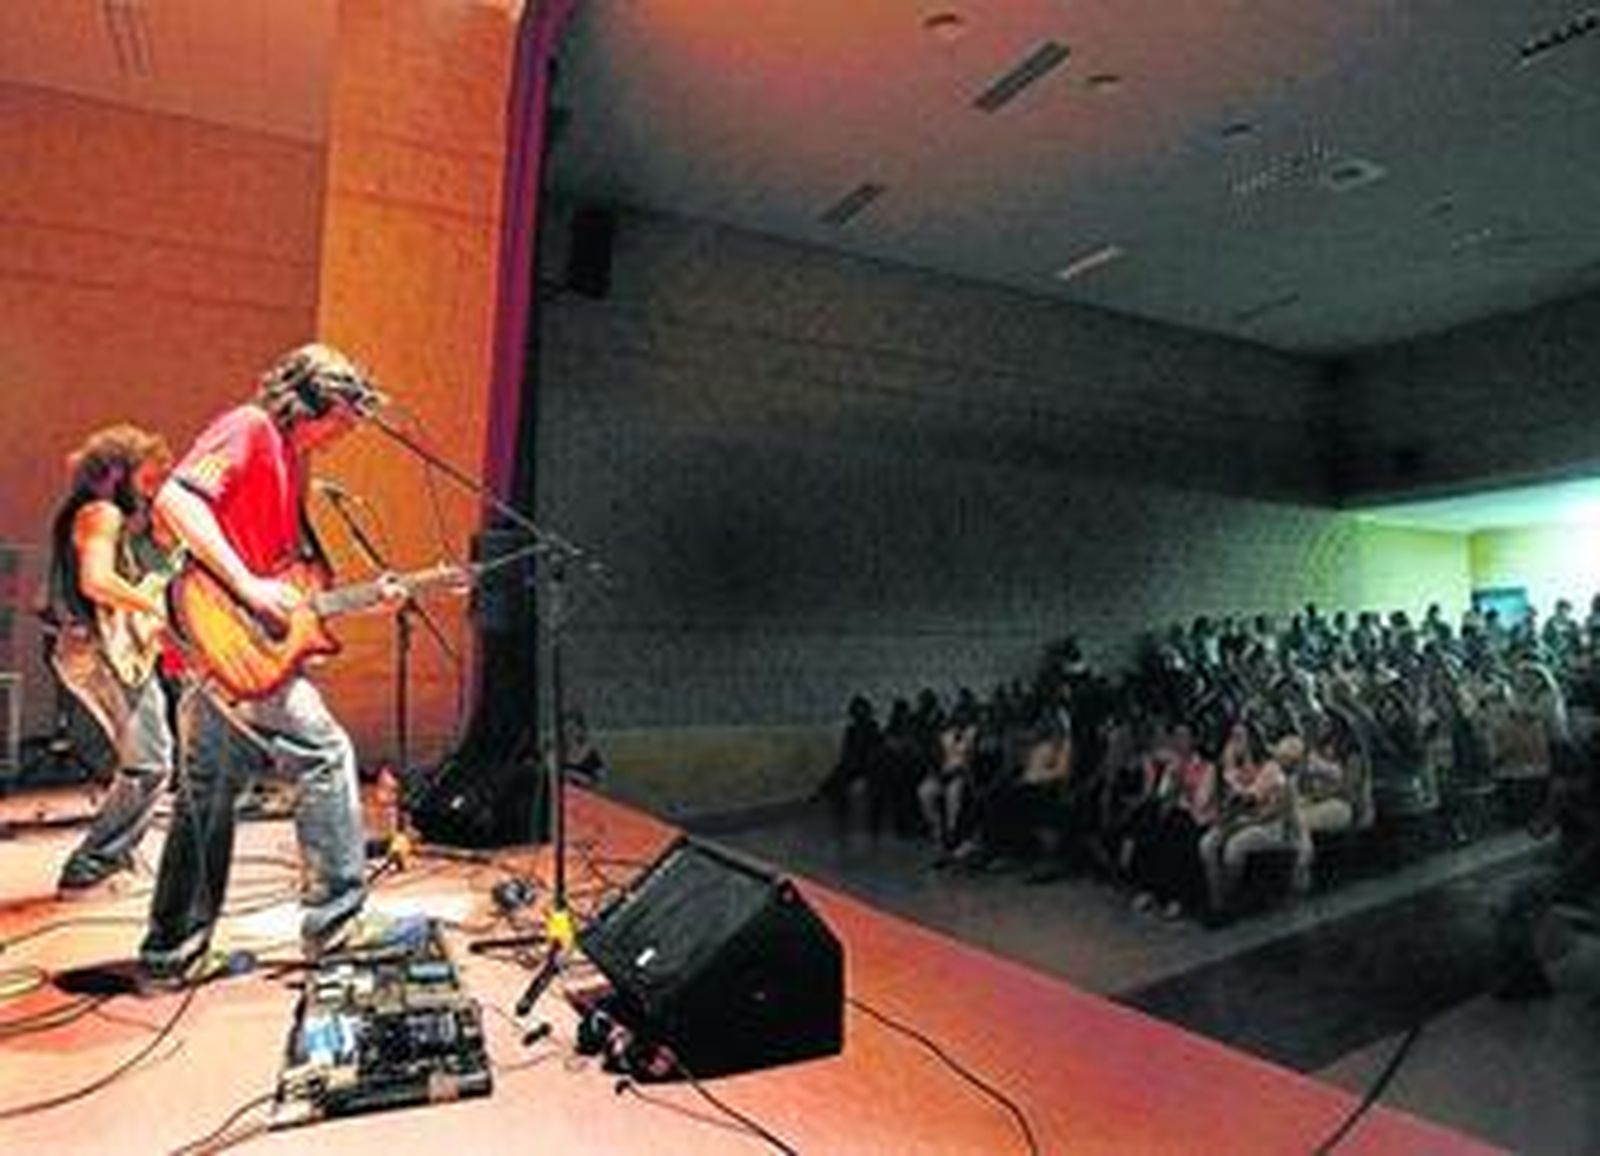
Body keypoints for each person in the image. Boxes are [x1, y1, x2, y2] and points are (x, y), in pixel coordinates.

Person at [138, 343, 403, 985]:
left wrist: (365, 600)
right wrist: (250, 589)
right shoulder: (251, 427)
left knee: (207, 791)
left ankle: (171, 950)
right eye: (339, 419)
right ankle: (337, 925)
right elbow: (175, 499)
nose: (342, 434)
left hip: (225, 646)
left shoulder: (289, 459)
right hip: (225, 635)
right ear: (307, 402)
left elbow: (290, 583)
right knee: (326, 754)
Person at [42, 425, 179, 893]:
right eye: (145, 476)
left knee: (143, 760)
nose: (149, 487)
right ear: (117, 470)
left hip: (92, 649)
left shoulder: (88, 513)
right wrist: (150, 605)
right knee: (150, 763)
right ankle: (93, 864)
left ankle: (112, 856)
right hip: (97, 652)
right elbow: (96, 581)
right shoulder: (100, 513)